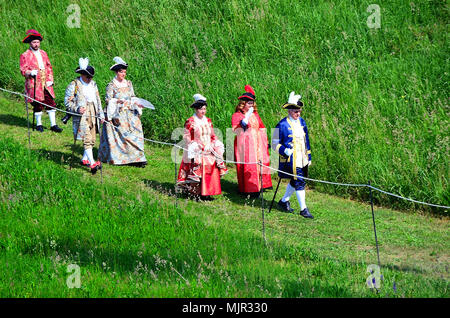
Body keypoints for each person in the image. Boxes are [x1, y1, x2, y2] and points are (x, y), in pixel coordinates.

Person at [98, 57, 147, 167]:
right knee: (123, 136)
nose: (123, 74)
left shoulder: (129, 83)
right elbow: (107, 100)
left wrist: (137, 103)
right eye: (121, 72)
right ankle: (122, 158)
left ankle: (138, 158)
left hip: (130, 113)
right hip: (118, 113)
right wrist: (117, 101)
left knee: (136, 134)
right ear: (116, 72)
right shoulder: (111, 85)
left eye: (124, 72)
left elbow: (132, 96)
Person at [177, 94, 228, 199]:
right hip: (197, 149)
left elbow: (212, 134)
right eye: (201, 109)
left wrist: (216, 142)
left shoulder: (208, 121)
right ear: (196, 109)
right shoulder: (191, 121)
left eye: (204, 109)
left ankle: (207, 193)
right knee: (198, 171)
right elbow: (186, 135)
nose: (203, 111)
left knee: (210, 169)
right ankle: (195, 193)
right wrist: (193, 144)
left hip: (208, 149)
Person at [272, 91, 314, 219]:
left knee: (295, 180)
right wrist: (284, 150)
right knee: (300, 181)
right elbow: (274, 143)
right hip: (290, 160)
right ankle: (303, 209)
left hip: (302, 158)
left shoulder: (302, 122)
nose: (298, 114)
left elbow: (306, 140)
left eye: (299, 111)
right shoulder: (282, 124)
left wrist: (309, 156)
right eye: (296, 111)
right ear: (289, 111)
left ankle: (284, 202)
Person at [64, 58, 105, 174]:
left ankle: (84, 158)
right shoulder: (74, 85)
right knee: (86, 138)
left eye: (91, 77)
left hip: (93, 112)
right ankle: (92, 163)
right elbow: (67, 102)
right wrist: (77, 109)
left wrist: (101, 114)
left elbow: (98, 100)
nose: (90, 79)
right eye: (88, 77)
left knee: (92, 138)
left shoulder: (93, 84)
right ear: (82, 75)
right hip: (81, 115)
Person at [231, 85, 272, 195]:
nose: (251, 105)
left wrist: (265, 142)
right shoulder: (237, 115)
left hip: (258, 143)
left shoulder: (255, 115)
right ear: (243, 104)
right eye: (249, 103)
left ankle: (261, 185)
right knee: (249, 165)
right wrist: (244, 122)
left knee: (261, 162)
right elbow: (236, 130)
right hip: (245, 145)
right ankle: (249, 188)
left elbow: (262, 127)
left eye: (252, 103)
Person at [19, 29, 62, 133]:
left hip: (45, 82)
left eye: (38, 42)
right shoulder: (25, 55)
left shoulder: (43, 53)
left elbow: (49, 67)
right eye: (34, 42)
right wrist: (30, 72)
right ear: (30, 43)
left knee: (50, 102)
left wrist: (50, 79)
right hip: (34, 83)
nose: (36, 44)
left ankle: (53, 125)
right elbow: (23, 70)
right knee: (37, 104)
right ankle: (39, 124)